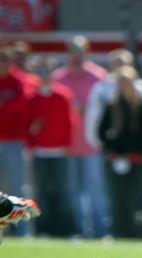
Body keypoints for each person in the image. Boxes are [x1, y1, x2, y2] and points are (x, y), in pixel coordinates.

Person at [52, 35, 109, 238]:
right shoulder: (58, 77)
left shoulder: (99, 76)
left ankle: (101, 231)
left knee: (96, 188)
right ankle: (79, 229)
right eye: (72, 52)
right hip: (67, 144)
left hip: (92, 144)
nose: (76, 57)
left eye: (80, 52)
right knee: (72, 189)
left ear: (86, 52)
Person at [98, 65, 142, 239]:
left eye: (128, 82)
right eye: (122, 83)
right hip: (116, 160)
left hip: (137, 160)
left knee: (139, 198)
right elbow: (101, 132)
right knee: (118, 197)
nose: (125, 87)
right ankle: (119, 232)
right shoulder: (112, 106)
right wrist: (114, 149)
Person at [25, 56, 76, 237]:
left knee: (61, 191)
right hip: (39, 152)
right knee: (42, 192)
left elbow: (70, 123)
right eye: (41, 72)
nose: (44, 76)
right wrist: (31, 144)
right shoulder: (32, 98)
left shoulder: (62, 95)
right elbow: (27, 125)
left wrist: (67, 145)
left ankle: (62, 231)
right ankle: (43, 230)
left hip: (59, 152)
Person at [85, 48, 142, 151]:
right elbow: (94, 115)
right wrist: (96, 141)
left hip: (135, 144)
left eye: (124, 63)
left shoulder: (141, 87)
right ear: (110, 65)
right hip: (111, 145)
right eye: (117, 63)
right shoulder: (101, 88)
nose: (121, 67)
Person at [0, 46, 28, 236]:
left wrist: (6, 106)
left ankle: (21, 231)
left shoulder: (18, 80)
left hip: (13, 140)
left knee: (17, 186)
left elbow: (23, 104)